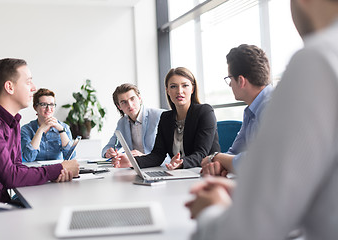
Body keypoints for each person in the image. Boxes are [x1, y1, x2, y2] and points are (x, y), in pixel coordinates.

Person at [185, 0, 338, 239]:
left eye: (229, 79)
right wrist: (243, 187)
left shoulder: (319, 59)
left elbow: (248, 231)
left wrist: (212, 208)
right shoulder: (250, 112)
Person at [0, 58, 79, 203]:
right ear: (10, 87)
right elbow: (11, 176)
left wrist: (55, 174)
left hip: (1, 202)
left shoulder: (13, 121)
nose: (34, 87)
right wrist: (57, 169)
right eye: (28, 82)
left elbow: (17, 166)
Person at [113, 67, 220, 169]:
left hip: (205, 172)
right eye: (173, 86)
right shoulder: (166, 118)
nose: (179, 91)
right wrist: (132, 161)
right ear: (167, 90)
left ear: (192, 88)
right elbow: (157, 155)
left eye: (185, 85)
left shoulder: (205, 112)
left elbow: (201, 154)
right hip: (180, 175)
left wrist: (181, 163)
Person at [201, 44, 273, 176]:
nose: (229, 84)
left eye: (230, 78)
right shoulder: (251, 111)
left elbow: (257, 161)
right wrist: (219, 164)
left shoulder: (273, 106)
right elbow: (234, 153)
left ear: (241, 81)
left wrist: (216, 157)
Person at [101, 83, 163, 159]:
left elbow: (170, 152)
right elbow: (109, 146)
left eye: (132, 99)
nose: (130, 105)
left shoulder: (160, 115)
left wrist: (145, 157)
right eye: (124, 102)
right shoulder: (122, 123)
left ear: (139, 98)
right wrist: (108, 152)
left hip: (159, 166)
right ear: (119, 106)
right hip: (135, 167)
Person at [21, 88, 75, 162]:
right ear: (35, 107)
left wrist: (61, 130)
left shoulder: (64, 127)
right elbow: (29, 158)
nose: (48, 108)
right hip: (35, 171)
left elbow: (70, 157)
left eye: (51, 104)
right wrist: (40, 130)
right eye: (43, 104)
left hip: (58, 170)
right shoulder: (26, 130)